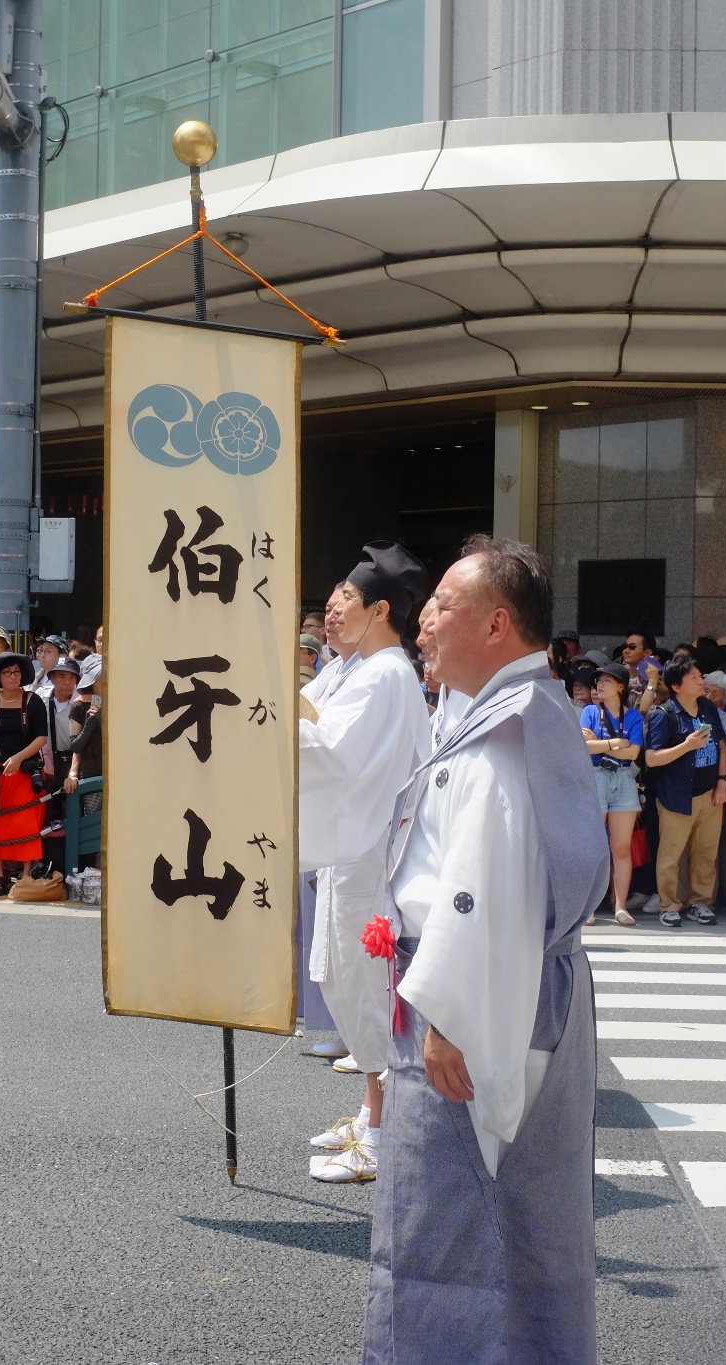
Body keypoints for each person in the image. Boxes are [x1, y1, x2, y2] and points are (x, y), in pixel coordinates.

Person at [364, 535, 605, 1364]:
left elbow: (483, 884)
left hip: (477, 1002)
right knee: (522, 1226)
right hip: (514, 990)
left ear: (498, 625)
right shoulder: (516, 713)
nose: (424, 622)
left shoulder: (507, 732)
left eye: (443, 606)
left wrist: (450, 1012)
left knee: (453, 1224)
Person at [297, 542, 434, 1184]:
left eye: (344, 600)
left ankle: (382, 1131)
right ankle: (372, 1109)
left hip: (371, 855)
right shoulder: (354, 667)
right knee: (345, 980)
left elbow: (327, 751)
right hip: (349, 851)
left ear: (380, 608)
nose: (331, 610)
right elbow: (313, 716)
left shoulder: (386, 675)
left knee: (369, 989)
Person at [644, 655, 726, 926]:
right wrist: (687, 746)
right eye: (694, 677)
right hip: (675, 795)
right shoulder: (664, 713)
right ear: (677, 685)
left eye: (700, 676)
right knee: (671, 853)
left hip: (709, 793)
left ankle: (700, 902)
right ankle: (668, 904)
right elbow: (652, 758)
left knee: (706, 851)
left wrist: (722, 781)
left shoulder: (707, 707)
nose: (701, 681)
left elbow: (722, 745)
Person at [0, 651, 47, 896]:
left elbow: (41, 737)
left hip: (24, 769)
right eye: (7, 672)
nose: (12, 676)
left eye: (16, 672)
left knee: (26, 822)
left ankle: (26, 875)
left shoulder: (33, 701)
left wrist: (18, 758)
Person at [580, 661, 642, 927]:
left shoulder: (634, 716)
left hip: (624, 778)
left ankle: (620, 906)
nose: (599, 685)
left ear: (620, 686)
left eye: (606, 681)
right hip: (596, 776)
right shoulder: (590, 712)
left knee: (621, 847)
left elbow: (634, 753)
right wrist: (615, 744)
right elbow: (583, 747)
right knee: (594, 846)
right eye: (598, 681)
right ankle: (589, 907)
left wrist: (600, 744)